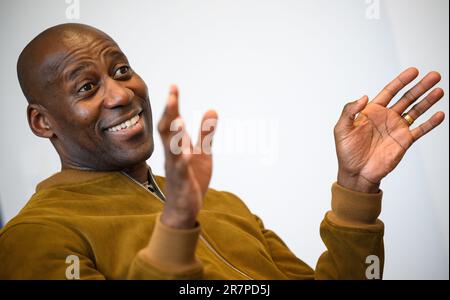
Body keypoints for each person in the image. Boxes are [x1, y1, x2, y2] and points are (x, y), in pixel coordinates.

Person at [0, 23, 445, 280]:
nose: (120, 94)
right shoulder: (33, 238)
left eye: (122, 70)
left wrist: (357, 190)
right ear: (43, 122)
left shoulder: (222, 204)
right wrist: (176, 227)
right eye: (87, 86)